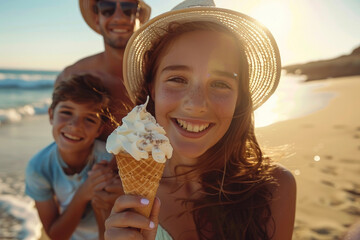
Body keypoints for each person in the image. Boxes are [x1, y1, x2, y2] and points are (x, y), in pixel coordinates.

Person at [104, 0, 296, 239]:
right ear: (152, 88)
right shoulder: (120, 190)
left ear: (239, 98)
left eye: (220, 83)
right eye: (177, 79)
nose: (195, 104)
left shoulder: (275, 188)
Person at [25, 74, 117, 240]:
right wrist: (83, 193)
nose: (75, 126)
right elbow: (56, 235)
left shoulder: (110, 159)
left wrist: (100, 199)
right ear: (51, 115)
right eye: (66, 112)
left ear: (99, 130)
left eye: (89, 119)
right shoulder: (38, 167)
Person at [55, 0, 152, 140]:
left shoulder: (160, 73)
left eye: (129, 9)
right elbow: (64, 146)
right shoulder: (70, 76)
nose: (119, 17)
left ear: (140, 19)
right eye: (107, 9)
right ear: (97, 19)